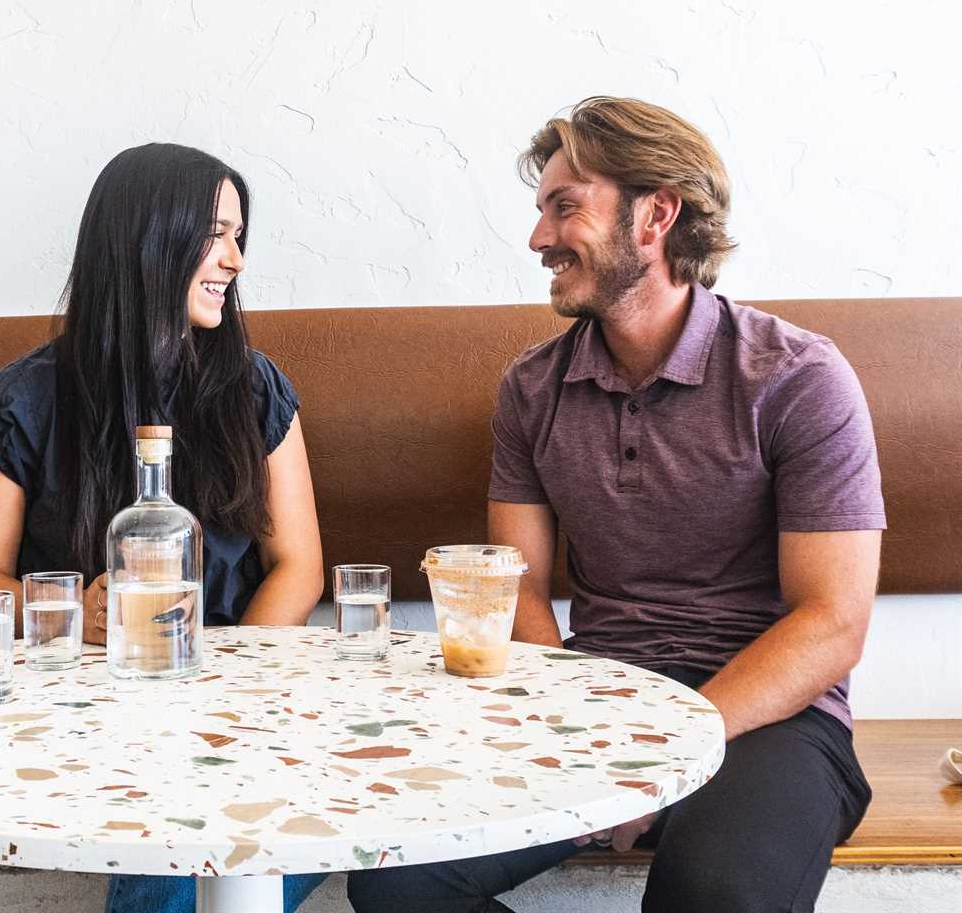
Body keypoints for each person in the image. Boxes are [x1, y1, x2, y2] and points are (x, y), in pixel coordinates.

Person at [347, 96, 883, 913]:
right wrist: (583, 728)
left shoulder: (797, 378)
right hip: (601, 701)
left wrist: (669, 747)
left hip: (773, 718)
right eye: (540, 211)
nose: (538, 239)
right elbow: (516, 587)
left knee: (717, 896)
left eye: (566, 207)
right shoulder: (532, 388)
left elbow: (832, 623)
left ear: (656, 215)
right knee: (399, 886)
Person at [0, 143, 327, 912]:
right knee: (179, 831)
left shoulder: (253, 387)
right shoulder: (21, 404)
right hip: (88, 715)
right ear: (149, 239)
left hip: (243, 712)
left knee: (217, 817)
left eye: (239, 237)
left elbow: (300, 568)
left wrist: (227, 685)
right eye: (216, 234)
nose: (236, 260)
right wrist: (71, 613)